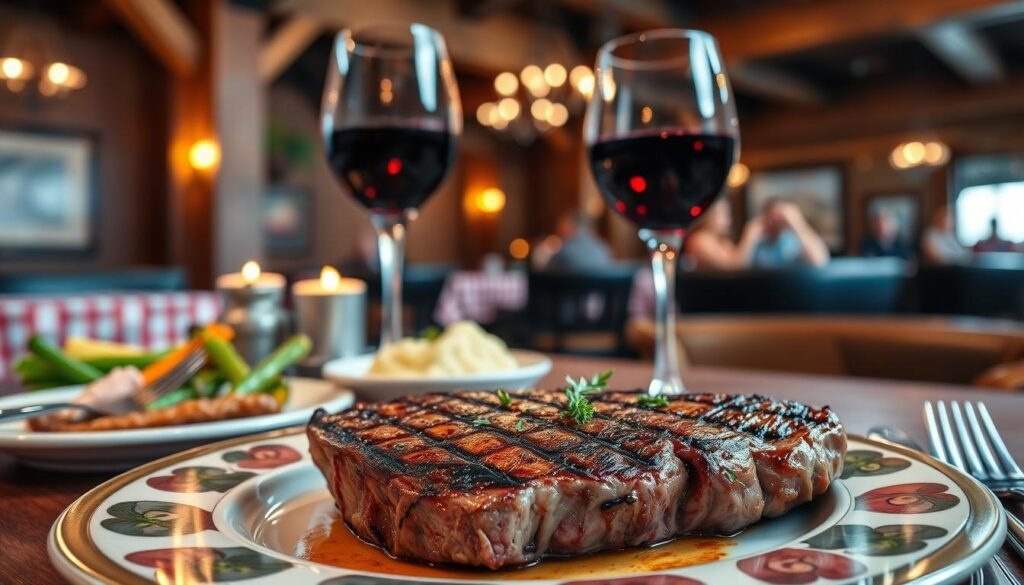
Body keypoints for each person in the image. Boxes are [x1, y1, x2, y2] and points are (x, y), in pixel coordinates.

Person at [746, 199, 830, 268]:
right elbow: (737, 270)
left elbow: (819, 261)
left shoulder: (796, 241)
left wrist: (796, 223)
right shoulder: (757, 243)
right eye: (772, 216)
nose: (776, 220)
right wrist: (749, 237)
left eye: (780, 216)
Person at [683, 200, 762, 270]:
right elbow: (735, 268)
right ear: (709, 215)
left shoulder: (723, 241)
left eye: (729, 215)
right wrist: (749, 235)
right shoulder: (699, 239)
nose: (729, 220)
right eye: (724, 214)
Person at [547, 211, 613, 271]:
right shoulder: (604, 248)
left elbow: (547, 273)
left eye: (563, 225)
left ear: (571, 226)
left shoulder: (565, 250)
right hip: (598, 284)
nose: (559, 230)